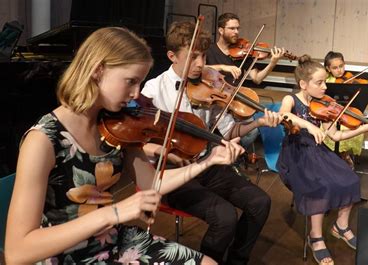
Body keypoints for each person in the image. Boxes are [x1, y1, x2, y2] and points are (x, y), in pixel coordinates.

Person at [5, 27, 245, 265]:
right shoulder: (43, 140)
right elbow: (17, 252)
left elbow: (153, 183)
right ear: (98, 70)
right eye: (130, 81)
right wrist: (115, 212)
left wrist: (208, 160)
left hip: (113, 240)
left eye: (139, 83)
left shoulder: (116, 125)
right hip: (65, 254)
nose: (136, 93)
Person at [141, 21, 282, 265]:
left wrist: (257, 124)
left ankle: (237, 260)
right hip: (174, 174)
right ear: (172, 56)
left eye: (204, 56)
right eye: (193, 57)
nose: (200, 64)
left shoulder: (210, 82)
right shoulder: (154, 90)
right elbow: (141, 144)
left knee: (260, 202)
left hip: (208, 162)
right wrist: (167, 152)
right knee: (225, 217)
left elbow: (229, 130)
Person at [277, 55, 368, 265]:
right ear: (303, 84)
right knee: (320, 186)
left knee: (351, 179)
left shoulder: (321, 105)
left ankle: (340, 227)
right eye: (319, 83)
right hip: (296, 154)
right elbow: (283, 116)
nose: (325, 86)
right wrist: (309, 125)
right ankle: (315, 237)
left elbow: (336, 136)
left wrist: (364, 128)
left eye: (325, 81)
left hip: (317, 152)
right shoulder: (291, 100)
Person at [205, 12, 287, 152]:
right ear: (221, 30)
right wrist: (222, 67)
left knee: (252, 131)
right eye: (232, 28)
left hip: (237, 101)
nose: (236, 32)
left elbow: (257, 78)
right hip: (215, 101)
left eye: (238, 28)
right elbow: (200, 68)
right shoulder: (209, 50)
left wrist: (273, 62)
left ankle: (233, 154)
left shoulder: (244, 53)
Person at [323, 51, 365, 169]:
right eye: (335, 68)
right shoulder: (326, 80)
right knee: (331, 130)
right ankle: (333, 157)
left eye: (341, 66)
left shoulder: (350, 78)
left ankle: (345, 154)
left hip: (346, 113)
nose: (339, 70)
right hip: (330, 115)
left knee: (351, 126)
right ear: (328, 68)